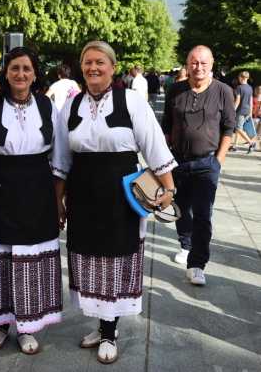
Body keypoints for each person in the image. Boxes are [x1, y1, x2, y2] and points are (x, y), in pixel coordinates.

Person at [52, 41, 176, 364]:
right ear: (82, 68)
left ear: (113, 67)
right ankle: (103, 323)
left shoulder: (131, 101)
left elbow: (153, 145)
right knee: (90, 259)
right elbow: (63, 158)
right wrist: (58, 201)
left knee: (117, 258)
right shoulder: (71, 106)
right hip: (82, 192)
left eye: (100, 62)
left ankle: (110, 329)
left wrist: (169, 189)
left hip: (121, 192)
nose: (93, 67)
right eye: (88, 62)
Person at [0, 46, 62, 355]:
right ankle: (0, 323)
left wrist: (61, 199)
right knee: (1, 255)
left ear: (35, 74)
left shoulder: (48, 106)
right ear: (6, 73)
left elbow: (58, 154)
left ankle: (27, 325)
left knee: (30, 256)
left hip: (38, 188)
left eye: (26, 68)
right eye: (14, 68)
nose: (20, 74)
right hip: (0, 188)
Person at [162, 45, 236, 285]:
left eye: (204, 63)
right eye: (194, 62)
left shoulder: (224, 91)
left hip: (207, 163)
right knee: (180, 209)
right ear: (187, 64)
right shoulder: (175, 89)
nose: (199, 67)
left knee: (203, 214)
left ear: (212, 64)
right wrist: (163, 161)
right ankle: (186, 244)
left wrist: (218, 161)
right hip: (178, 161)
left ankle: (197, 265)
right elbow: (165, 127)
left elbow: (228, 128)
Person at [229, 71, 257, 153]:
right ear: (247, 78)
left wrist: (232, 111)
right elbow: (251, 101)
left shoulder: (239, 88)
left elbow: (237, 101)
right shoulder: (250, 88)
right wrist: (251, 112)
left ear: (240, 78)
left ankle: (251, 143)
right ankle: (235, 146)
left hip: (240, 110)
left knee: (239, 128)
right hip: (247, 110)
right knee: (239, 127)